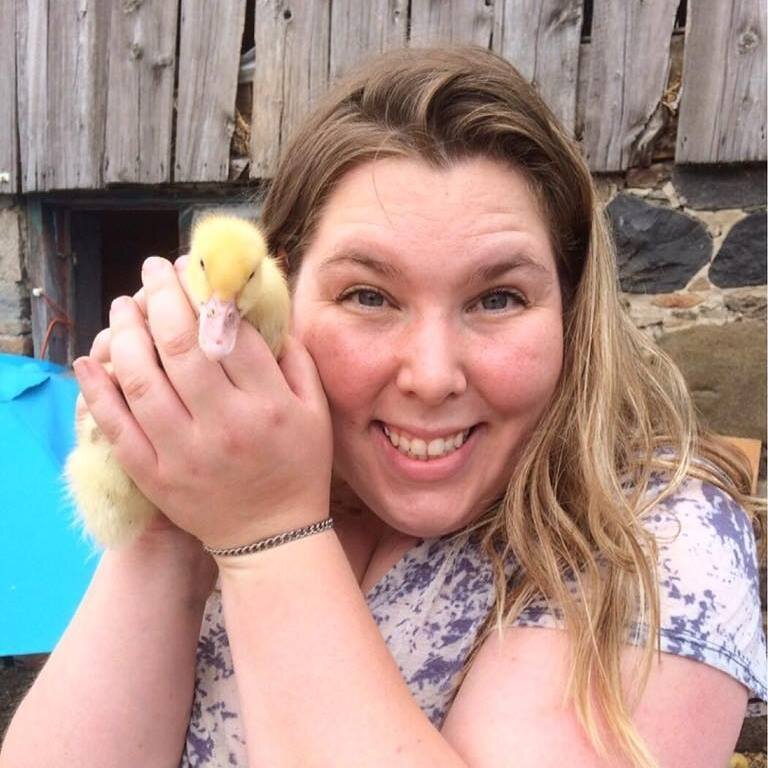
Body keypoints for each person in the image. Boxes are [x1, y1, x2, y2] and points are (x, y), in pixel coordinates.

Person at [2, 45, 765, 768]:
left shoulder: (654, 538)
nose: (432, 376)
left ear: (569, 310)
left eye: (498, 298)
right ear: (285, 292)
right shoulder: (241, 468)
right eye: (368, 295)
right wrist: (172, 515)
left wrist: (267, 536)